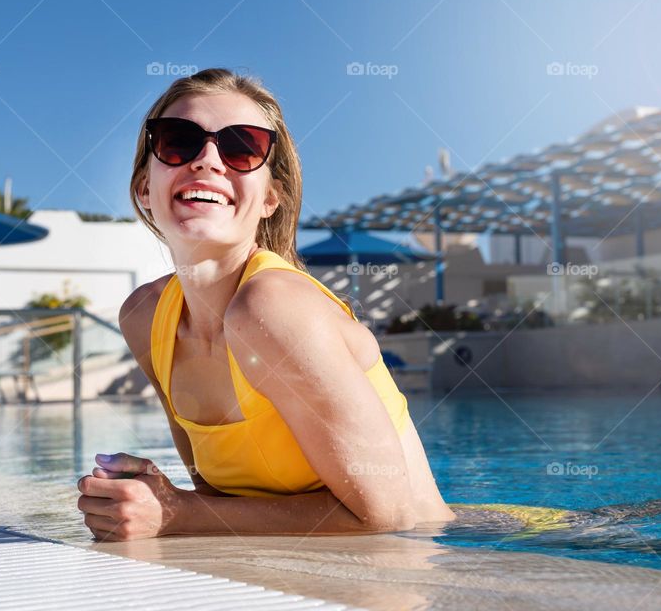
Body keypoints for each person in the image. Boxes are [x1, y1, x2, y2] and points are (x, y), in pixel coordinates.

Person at [76, 68, 456, 541]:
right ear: (143, 190)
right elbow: (218, 504)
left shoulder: (272, 307)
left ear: (271, 198)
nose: (208, 161)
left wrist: (177, 514)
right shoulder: (145, 318)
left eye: (242, 147)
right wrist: (152, 498)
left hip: (437, 563)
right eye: (178, 141)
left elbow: (392, 517)